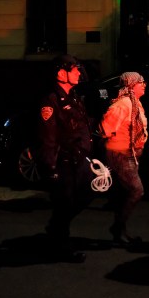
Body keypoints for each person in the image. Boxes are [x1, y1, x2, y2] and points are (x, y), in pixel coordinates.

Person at [38, 54, 94, 262]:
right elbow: (48, 137)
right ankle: (60, 245)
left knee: (90, 191)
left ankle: (56, 230)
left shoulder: (73, 97)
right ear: (62, 74)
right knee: (65, 202)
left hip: (78, 159)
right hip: (64, 161)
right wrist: (50, 167)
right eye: (75, 69)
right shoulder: (51, 101)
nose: (79, 73)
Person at [100, 71, 148, 245]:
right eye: (140, 82)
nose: (144, 85)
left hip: (130, 154)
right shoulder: (122, 105)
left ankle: (119, 230)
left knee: (124, 192)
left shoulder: (135, 104)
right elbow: (105, 128)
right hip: (120, 154)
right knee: (136, 190)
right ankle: (117, 228)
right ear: (130, 86)